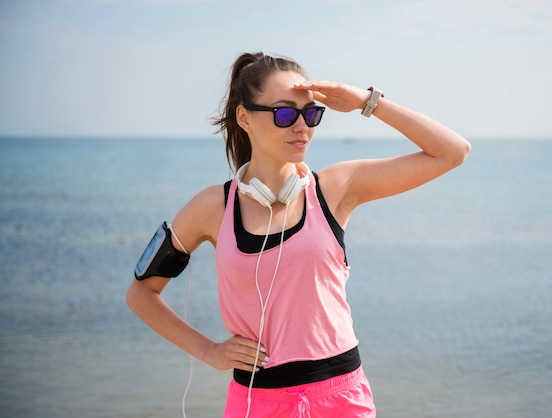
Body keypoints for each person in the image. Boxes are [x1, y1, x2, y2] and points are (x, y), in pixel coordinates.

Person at [126, 51, 471, 418]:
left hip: (341, 398)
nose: (302, 126)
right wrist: (209, 351)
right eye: (285, 114)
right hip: (255, 403)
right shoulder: (213, 207)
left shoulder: (337, 188)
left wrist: (366, 102)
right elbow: (142, 294)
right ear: (245, 118)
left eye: (311, 114)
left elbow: (452, 152)